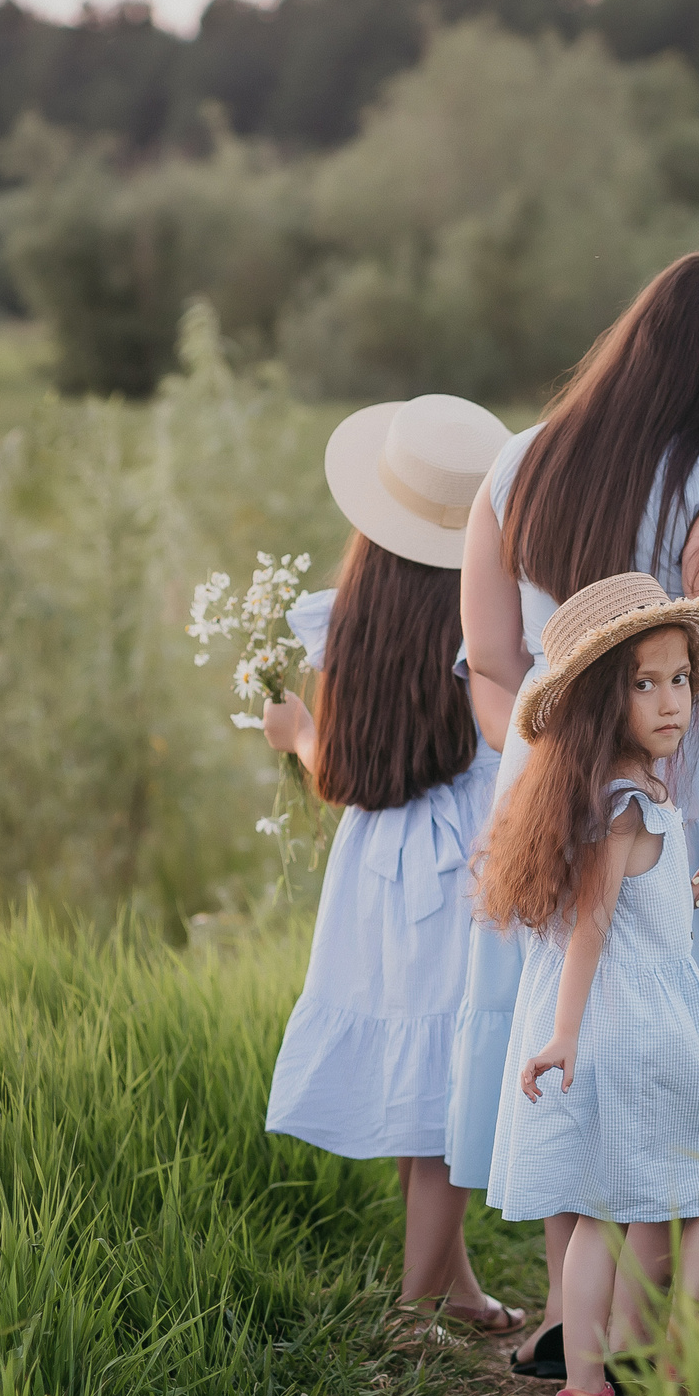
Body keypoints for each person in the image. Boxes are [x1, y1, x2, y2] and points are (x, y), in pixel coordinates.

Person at [450, 249, 699, 1379]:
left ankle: (578, 1321)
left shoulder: (513, 468)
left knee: (589, 1048)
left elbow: (489, 663)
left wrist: (543, 778)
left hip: (552, 798)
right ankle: (631, 1328)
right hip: (695, 797)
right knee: (695, 1051)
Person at [261, 393, 526, 1335]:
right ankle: (416, 1309)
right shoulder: (490, 622)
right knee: (443, 1077)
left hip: (380, 869)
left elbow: (348, 774)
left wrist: (297, 732)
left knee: (427, 1072)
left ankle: (446, 1288)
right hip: (462, 863)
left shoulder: (352, 617)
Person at [475, 573, 699, 1396]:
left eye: (680, 680)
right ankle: (690, 1363)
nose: (672, 701)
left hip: (610, 1026)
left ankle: (586, 1390)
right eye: (644, 683)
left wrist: (567, 1033)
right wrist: (563, 1034)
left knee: (600, 1209)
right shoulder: (632, 806)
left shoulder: (608, 794)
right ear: (605, 699)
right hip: (644, 1022)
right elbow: (591, 923)